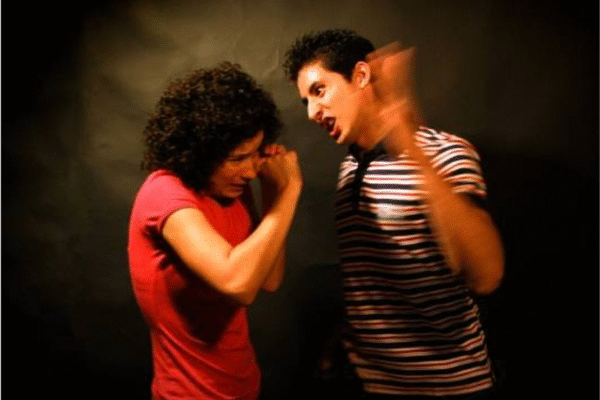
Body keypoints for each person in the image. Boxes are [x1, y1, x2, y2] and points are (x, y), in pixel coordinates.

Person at [283, 29, 504, 398]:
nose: (311, 112)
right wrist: (338, 342)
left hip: (449, 386)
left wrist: (407, 143)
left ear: (361, 75)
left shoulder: (447, 152)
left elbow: (486, 275)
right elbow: (373, 278)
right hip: (368, 384)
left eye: (319, 91)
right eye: (306, 100)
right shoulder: (351, 167)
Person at [127, 62, 302, 399]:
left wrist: (272, 190)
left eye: (255, 155)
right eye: (237, 159)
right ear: (199, 153)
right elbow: (238, 284)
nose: (250, 171)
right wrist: (290, 190)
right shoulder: (164, 193)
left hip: (245, 386)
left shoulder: (233, 191)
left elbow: (268, 278)